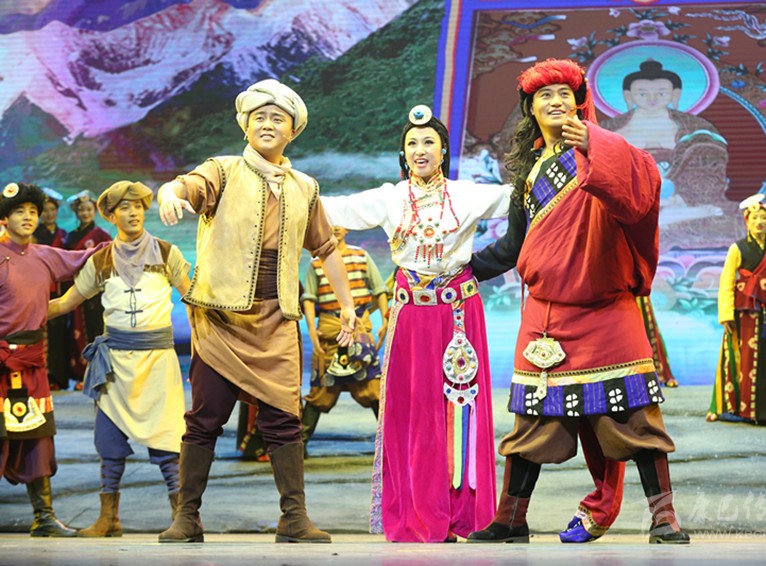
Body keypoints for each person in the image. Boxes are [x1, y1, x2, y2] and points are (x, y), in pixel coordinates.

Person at [465, 58, 689, 545]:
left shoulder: (606, 151)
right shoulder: (529, 175)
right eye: (544, 96)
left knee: (634, 418)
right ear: (530, 109)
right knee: (532, 421)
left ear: (579, 103)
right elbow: (514, 247)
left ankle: (664, 519)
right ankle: (511, 520)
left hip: (606, 310)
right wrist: (460, 270)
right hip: (546, 315)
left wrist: (594, 144)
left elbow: (639, 192)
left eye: (564, 93)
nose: (555, 101)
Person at [155, 78, 356, 544]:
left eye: (277, 118)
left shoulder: (304, 187)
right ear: (245, 126)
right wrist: (169, 194)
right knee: (205, 419)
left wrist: (347, 305)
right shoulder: (222, 170)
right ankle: (187, 517)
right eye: (259, 117)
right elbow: (185, 186)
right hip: (221, 319)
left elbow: (326, 248)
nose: (267, 124)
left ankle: (294, 518)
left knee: (284, 421)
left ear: (292, 130)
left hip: (277, 320)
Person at [320, 105, 511, 542]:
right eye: (412, 143)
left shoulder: (466, 195)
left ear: (443, 151)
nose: (420, 150)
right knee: (415, 413)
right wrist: (284, 184)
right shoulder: (390, 198)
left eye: (429, 142)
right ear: (403, 154)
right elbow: (333, 208)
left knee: (459, 410)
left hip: (459, 316)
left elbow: (517, 198)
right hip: (411, 317)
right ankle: (420, 513)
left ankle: (464, 515)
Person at [47, 181, 191, 536]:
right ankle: (108, 519)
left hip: (157, 362)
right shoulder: (101, 260)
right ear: (111, 216)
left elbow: (195, 299)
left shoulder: (167, 253)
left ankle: (184, 518)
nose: (133, 213)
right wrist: (18, 312)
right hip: (115, 365)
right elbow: (66, 303)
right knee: (109, 441)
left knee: (168, 440)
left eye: (138, 206)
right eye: (125, 207)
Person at [1, 182, 103, 537]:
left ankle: (43, 517)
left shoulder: (45, 255)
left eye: (32, 211)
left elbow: (87, 258)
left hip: (32, 362)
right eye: (19, 211)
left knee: (39, 439)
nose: (28, 217)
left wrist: (122, 243)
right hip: (0, 362)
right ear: (5, 219)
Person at [601, 59, 734, 248]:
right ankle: (658, 216)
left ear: (675, 94)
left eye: (661, 92)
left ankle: (667, 214)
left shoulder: (696, 127)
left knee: (727, 217)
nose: (652, 98)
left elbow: (712, 163)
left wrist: (679, 191)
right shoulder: (608, 129)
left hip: (680, 199)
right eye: (642, 93)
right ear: (628, 95)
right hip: (629, 199)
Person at [708, 195, 766, 426]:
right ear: (746, 222)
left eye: (763, 218)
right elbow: (727, 281)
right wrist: (726, 314)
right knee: (738, 360)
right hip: (743, 315)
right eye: (755, 218)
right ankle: (728, 408)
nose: (759, 222)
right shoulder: (737, 248)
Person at [300, 225, 388, 456]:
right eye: (330, 222)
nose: (335, 228)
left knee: (374, 389)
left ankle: (390, 445)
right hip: (331, 331)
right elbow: (309, 297)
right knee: (320, 391)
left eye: (340, 223)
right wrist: (311, 329)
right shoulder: (316, 263)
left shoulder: (361, 256)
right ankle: (299, 444)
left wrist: (386, 320)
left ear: (348, 228)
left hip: (359, 329)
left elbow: (379, 289)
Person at [65, 190, 112, 387]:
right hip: (77, 288)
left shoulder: (102, 235)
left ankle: (100, 373)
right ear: (76, 212)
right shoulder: (70, 237)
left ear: (95, 211)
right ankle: (82, 376)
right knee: (78, 331)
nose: (85, 213)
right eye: (81, 210)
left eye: (89, 209)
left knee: (97, 330)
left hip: (98, 291)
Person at [34, 189, 72, 391]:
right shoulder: (34, 236)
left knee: (60, 334)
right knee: (41, 333)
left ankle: (59, 377)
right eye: (45, 211)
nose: (49, 214)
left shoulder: (64, 236)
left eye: (52, 210)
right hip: (39, 290)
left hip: (60, 291)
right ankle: (43, 376)